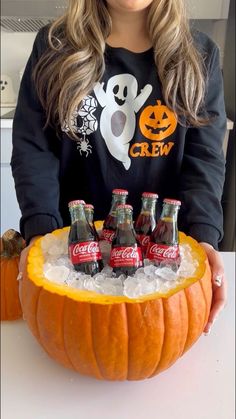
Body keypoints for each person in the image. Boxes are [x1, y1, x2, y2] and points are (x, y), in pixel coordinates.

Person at [12, 0, 227, 334]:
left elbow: (204, 159)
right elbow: (34, 150)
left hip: (162, 270)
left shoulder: (200, 54)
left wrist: (205, 238)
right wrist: (39, 231)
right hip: (74, 262)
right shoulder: (53, 46)